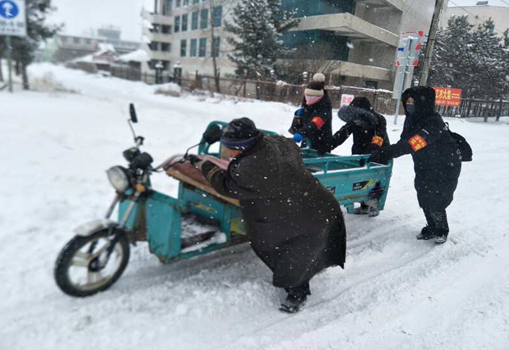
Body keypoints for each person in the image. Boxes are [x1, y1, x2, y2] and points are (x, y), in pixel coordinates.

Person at [193, 118, 346, 313]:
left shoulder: (250, 168)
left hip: (305, 214)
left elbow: (226, 185)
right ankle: (299, 282)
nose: (227, 152)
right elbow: (289, 147)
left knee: (287, 251)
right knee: (295, 249)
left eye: (229, 148)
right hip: (316, 202)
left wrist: (207, 166)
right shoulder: (275, 142)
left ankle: (297, 293)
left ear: (241, 147)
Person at [369, 86, 462, 244]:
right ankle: (432, 227)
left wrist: (387, 152)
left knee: (436, 198)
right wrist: (384, 152)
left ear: (423, 102)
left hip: (445, 166)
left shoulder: (434, 121)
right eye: (408, 101)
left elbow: (414, 143)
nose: (410, 104)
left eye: (413, 101)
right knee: (424, 194)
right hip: (425, 164)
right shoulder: (412, 119)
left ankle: (441, 230)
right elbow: (404, 141)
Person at [330, 97, 390, 217]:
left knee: (375, 179)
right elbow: (341, 135)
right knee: (361, 179)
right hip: (359, 153)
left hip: (378, 154)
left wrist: (373, 148)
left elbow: (379, 136)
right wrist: (329, 145)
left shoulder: (379, 120)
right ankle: (364, 205)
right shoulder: (354, 121)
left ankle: (374, 204)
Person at [289, 73, 333, 155]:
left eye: (311, 96)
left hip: (320, 147)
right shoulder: (307, 106)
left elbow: (315, 124)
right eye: (307, 96)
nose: (308, 98)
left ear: (318, 96)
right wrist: (297, 117)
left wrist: (301, 132)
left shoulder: (325, 108)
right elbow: (296, 128)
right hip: (307, 143)